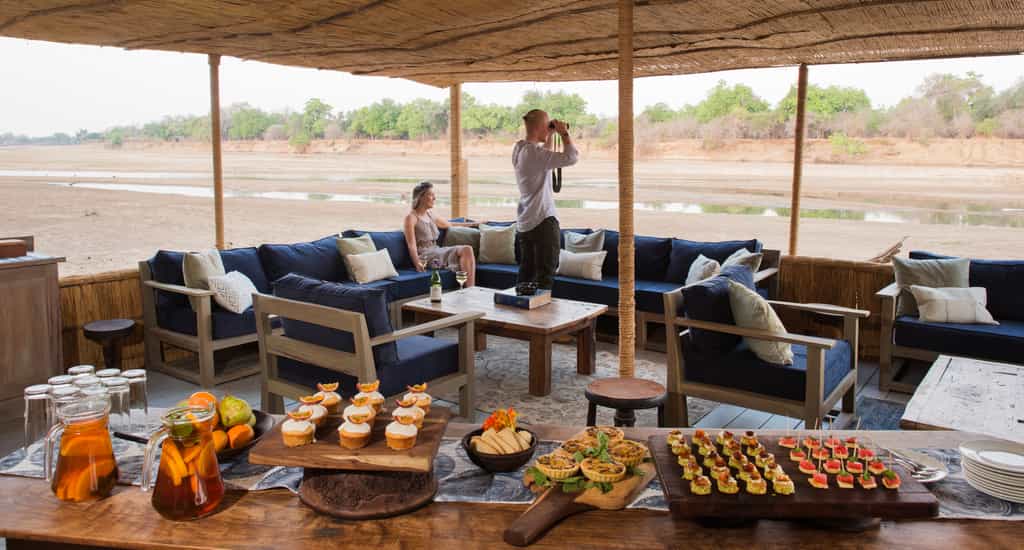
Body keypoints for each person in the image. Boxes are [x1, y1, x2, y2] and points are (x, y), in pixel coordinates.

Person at [512, 109, 579, 289]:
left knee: (527, 273)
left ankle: (520, 312)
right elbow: (571, 157)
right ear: (540, 126)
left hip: (526, 223)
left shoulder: (519, 148)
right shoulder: (533, 153)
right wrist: (564, 133)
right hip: (543, 220)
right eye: (547, 124)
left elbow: (544, 156)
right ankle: (542, 315)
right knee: (545, 276)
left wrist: (549, 134)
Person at [403, 181, 478, 287]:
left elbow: (450, 224)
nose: (434, 198)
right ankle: (470, 291)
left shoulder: (430, 215)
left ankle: (470, 290)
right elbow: (411, 245)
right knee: (466, 250)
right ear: (421, 197)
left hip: (436, 251)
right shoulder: (411, 218)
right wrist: (418, 264)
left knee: (467, 249)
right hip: (426, 257)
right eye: (431, 195)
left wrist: (475, 224)